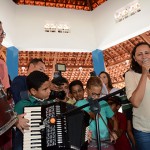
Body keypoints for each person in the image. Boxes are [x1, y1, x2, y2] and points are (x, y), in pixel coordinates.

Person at [0, 20, 29, 150]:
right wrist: (14, 120)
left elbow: (4, 97)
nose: (2, 35)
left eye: (2, 32)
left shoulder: (1, 64)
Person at [75, 76, 118, 150]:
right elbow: (76, 125)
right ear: (87, 90)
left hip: (106, 141)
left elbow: (114, 119)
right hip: (90, 142)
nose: (96, 97)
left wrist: (114, 132)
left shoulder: (103, 103)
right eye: (93, 94)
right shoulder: (79, 104)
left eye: (98, 94)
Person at [14, 70, 51, 150]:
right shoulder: (22, 104)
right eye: (45, 89)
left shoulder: (49, 104)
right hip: (24, 144)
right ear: (33, 91)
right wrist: (15, 120)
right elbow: (10, 122)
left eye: (49, 88)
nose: (49, 91)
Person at [125, 42, 150, 150]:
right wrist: (144, 73)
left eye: (147, 53)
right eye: (140, 54)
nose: (144, 56)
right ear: (134, 58)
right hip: (144, 131)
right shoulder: (130, 75)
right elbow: (135, 102)